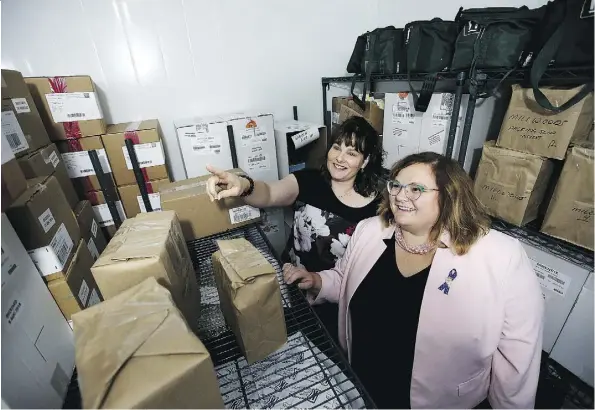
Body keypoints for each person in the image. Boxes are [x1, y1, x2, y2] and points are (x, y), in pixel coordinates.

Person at [283, 152, 544, 409]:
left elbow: (516, 362)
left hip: (439, 401)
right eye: (396, 185)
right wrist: (318, 280)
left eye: (416, 188)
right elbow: (344, 277)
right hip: (364, 384)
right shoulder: (370, 231)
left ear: (449, 196)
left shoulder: (500, 256)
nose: (399, 195)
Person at [206, 116, 385, 343]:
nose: (340, 158)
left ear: (365, 161)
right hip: (288, 284)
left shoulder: (375, 210)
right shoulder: (309, 181)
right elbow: (269, 192)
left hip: (331, 303)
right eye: (336, 147)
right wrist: (243, 185)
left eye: (352, 153)